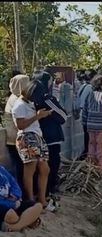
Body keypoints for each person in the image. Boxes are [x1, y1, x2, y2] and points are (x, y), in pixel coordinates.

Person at [12, 81, 54, 212]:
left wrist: (41, 116)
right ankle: (30, 201)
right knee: (30, 169)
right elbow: (21, 125)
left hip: (36, 137)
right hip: (27, 137)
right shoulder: (19, 105)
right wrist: (37, 116)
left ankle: (41, 200)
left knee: (44, 169)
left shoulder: (28, 103)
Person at [30, 71, 67, 202]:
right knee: (51, 167)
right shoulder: (47, 99)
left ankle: (38, 194)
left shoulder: (30, 100)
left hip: (36, 139)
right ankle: (47, 193)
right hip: (51, 139)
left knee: (37, 170)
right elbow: (63, 116)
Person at [0, 165, 43, 232]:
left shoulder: (1, 168)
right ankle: (26, 221)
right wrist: (12, 204)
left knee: (38, 206)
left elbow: (13, 183)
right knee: (11, 215)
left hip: (12, 200)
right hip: (4, 205)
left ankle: (17, 227)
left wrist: (16, 196)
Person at [4, 74, 29, 187]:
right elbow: (21, 123)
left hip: (16, 139)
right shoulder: (16, 101)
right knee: (21, 168)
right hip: (15, 140)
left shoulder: (16, 98)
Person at [77, 69, 96, 160]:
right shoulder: (91, 88)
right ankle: (87, 156)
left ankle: (85, 155)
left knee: (86, 137)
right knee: (89, 138)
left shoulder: (82, 86)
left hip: (82, 113)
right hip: (88, 114)